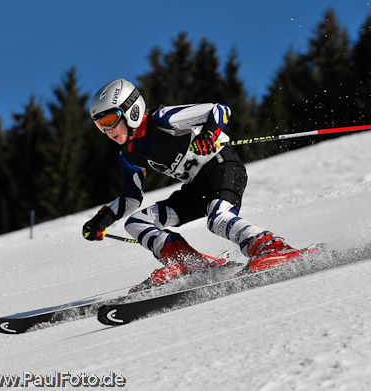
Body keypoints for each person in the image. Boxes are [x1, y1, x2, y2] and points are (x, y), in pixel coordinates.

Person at [82, 79, 300, 292]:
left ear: (132, 110)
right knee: (137, 222)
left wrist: (208, 134)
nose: (107, 130)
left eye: (110, 120)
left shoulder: (163, 119)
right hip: (196, 187)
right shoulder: (129, 155)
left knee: (218, 218)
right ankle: (187, 264)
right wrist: (101, 221)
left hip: (221, 166)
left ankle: (271, 248)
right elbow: (131, 198)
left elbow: (219, 110)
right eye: (100, 125)